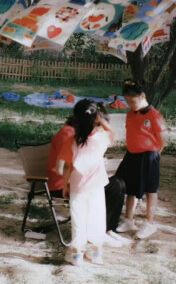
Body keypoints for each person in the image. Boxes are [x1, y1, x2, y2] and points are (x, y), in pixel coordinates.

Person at [61, 99, 115, 266]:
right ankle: (97, 253)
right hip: (96, 186)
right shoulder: (101, 138)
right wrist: (102, 121)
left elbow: (67, 167)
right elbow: (113, 134)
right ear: (96, 118)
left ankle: (77, 254)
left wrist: (65, 186)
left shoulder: (71, 141)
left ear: (75, 118)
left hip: (78, 186)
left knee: (78, 219)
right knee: (97, 217)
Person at [116, 79, 168, 239]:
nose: (130, 104)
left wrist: (156, 152)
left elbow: (164, 138)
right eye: (127, 101)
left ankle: (149, 223)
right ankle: (129, 219)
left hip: (149, 155)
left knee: (150, 189)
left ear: (143, 96)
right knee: (130, 188)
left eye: (133, 101)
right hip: (132, 154)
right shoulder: (131, 114)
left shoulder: (154, 115)